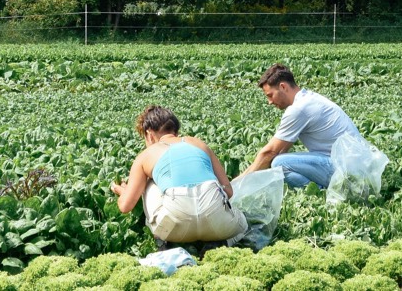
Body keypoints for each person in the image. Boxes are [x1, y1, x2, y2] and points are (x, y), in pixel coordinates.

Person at [109, 106, 247, 248]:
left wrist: (122, 190)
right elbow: (228, 191)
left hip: (175, 228)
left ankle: (162, 242)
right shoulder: (199, 144)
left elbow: (125, 206)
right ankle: (221, 243)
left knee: (150, 182)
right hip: (219, 223)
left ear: (149, 134)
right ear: (175, 130)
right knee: (242, 224)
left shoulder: (146, 155)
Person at [238, 64, 362, 189]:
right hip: (354, 165)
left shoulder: (299, 109)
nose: (269, 102)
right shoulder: (307, 99)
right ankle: (322, 189)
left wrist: (238, 184)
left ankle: (320, 192)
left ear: (283, 87)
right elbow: (282, 149)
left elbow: (270, 152)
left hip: (345, 169)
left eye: (270, 95)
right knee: (280, 161)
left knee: (280, 164)